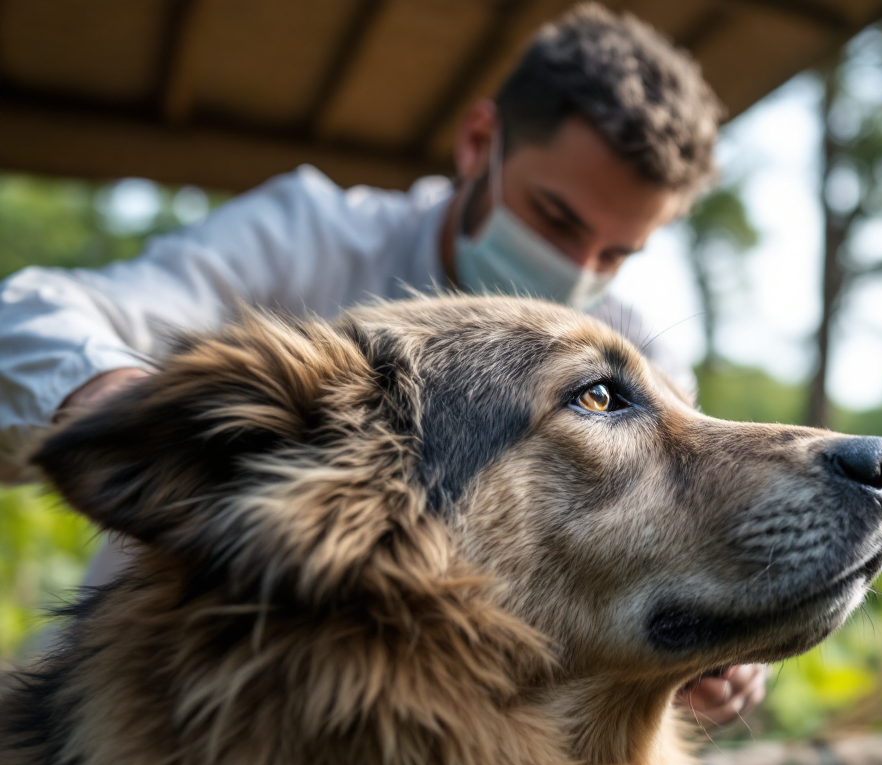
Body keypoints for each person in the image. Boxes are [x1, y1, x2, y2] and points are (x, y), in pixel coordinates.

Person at [0, 3, 765, 725]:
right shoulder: (312, 235)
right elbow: (30, 311)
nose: (577, 271)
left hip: (474, 739)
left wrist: (721, 629)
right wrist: (134, 408)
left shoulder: (637, 349)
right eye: (555, 219)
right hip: (188, 701)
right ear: (477, 144)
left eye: (615, 254)